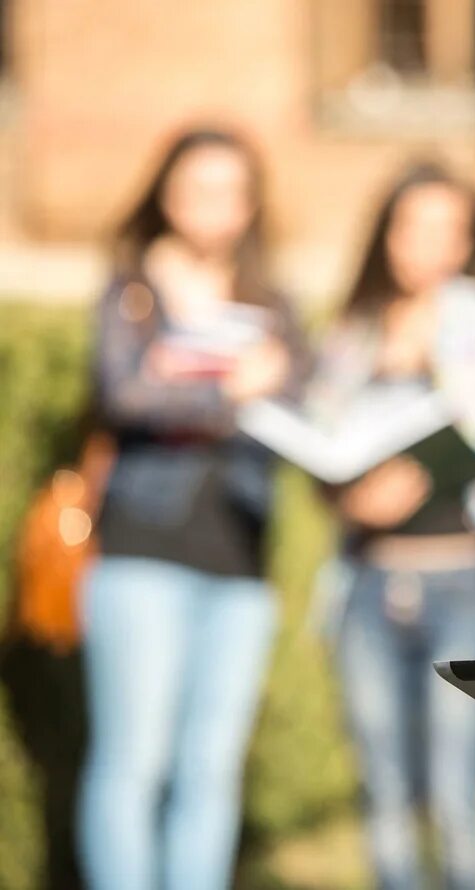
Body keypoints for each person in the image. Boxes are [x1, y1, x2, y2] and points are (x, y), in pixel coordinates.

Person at [78, 127, 309, 890]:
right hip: (141, 549)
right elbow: (124, 394)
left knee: (210, 768)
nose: (213, 205)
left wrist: (279, 387)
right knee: (132, 761)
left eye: (229, 189)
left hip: (239, 555)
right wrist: (229, 390)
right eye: (196, 186)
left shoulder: (273, 304)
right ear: (165, 194)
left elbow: (305, 409)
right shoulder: (131, 293)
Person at [314, 162, 475, 890]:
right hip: (368, 579)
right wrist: (347, 497)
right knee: (386, 790)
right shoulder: (351, 330)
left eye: (448, 229)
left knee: (455, 790)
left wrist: (429, 361)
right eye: (415, 226)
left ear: (468, 242)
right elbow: (321, 445)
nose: (429, 244)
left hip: (460, 577)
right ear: (387, 234)